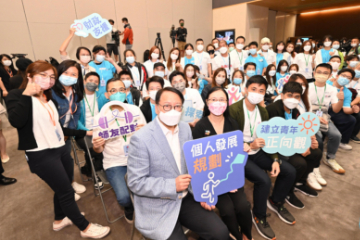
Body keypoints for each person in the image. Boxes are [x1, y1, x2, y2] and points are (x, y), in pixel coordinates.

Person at [6, 60, 110, 238]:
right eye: (43, 75)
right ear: (29, 76)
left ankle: (60, 220)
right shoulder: (16, 95)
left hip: (60, 148)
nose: (49, 80)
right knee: (67, 191)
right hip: (41, 154)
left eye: (52, 77)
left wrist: (86, 132)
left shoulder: (48, 98)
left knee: (63, 186)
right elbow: (16, 121)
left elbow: (58, 128)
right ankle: (85, 228)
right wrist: (26, 94)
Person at [127, 87, 230, 240]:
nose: (172, 111)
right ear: (156, 107)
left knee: (220, 233)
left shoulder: (184, 128)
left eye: (177, 106)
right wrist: (172, 185)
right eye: (167, 106)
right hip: (158, 203)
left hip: (186, 196)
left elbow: (192, 165)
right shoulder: (141, 139)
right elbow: (135, 182)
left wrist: (202, 193)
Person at [229, 76, 296, 240]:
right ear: (245, 90)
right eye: (253, 89)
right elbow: (229, 138)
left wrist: (274, 159)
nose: (257, 94)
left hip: (258, 152)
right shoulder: (233, 109)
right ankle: (259, 215)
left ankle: (276, 201)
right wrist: (249, 144)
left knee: (289, 171)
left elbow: (269, 137)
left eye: (261, 91)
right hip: (240, 155)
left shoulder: (263, 111)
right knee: (263, 180)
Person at [192, 86, 253, 240]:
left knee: (243, 207)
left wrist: (243, 151)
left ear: (227, 102)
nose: (217, 103)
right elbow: (198, 161)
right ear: (206, 102)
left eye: (222, 100)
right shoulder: (200, 126)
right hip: (212, 179)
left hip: (232, 176)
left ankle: (247, 234)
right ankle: (236, 236)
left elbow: (238, 158)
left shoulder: (232, 123)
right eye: (213, 99)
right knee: (227, 210)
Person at [92, 78, 146, 224]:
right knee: (124, 197)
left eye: (122, 90)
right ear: (107, 95)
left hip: (139, 157)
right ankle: (129, 208)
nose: (118, 93)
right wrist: (97, 145)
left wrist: (144, 131)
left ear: (127, 92)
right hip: (115, 162)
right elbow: (98, 150)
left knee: (151, 187)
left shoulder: (135, 110)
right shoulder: (100, 117)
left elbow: (147, 136)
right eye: (113, 91)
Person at [266, 82, 322, 209]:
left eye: (297, 96)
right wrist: (300, 147)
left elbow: (299, 130)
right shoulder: (272, 110)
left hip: (290, 144)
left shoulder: (295, 111)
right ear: (282, 95)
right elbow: (272, 137)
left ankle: (299, 183)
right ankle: (282, 194)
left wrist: (309, 141)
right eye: (289, 95)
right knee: (299, 163)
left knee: (316, 153)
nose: (293, 99)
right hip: (276, 146)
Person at [51, 60, 88, 201]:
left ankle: (71, 182)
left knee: (67, 160)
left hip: (67, 133)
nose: (69, 76)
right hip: (53, 135)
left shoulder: (76, 91)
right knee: (57, 165)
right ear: (59, 72)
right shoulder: (51, 92)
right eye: (66, 72)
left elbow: (76, 114)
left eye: (74, 74)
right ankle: (66, 188)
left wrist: (69, 133)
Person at [282, 74, 327, 188]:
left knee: (317, 147)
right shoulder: (284, 101)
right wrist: (302, 143)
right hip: (289, 137)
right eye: (298, 84)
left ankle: (309, 174)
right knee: (302, 160)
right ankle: (293, 185)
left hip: (304, 131)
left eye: (303, 84)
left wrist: (311, 135)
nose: (301, 87)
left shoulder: (304, 99)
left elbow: (309, 116)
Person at [309, 63, 344, 174]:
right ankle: (314, 164)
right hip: (309, 115)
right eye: (319, 72)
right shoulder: (307, 87)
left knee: (336, 135)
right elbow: (303, 108)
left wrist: (341, 100)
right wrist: (314, 117)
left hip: (323, 116)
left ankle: (330, 158)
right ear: (314, 73)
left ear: (329, 76)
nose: (321, 75)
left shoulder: (332, 89)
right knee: (318, 137)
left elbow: (336, 110)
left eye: (325, 73)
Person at [76, 72, 108, 185]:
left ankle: (90, 169)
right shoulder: (77, 97)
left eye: (96, 82)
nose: (92, 83)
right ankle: (97, 173)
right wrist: (86, 131)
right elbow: (75, 119)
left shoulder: (101, 96)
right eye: (90, 80)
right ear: (84, 81)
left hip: (100, 129)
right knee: (94, 147)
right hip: (83, 131)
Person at [327, 68, 358, 150]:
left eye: (348, 77)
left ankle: (342, 141)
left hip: (334, 110)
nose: (345, 78)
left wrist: (352, 110)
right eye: (343, 75)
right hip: (321, 107)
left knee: (351, 119)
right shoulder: (327, 83)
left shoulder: (347, 92)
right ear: (337, 76)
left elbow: (346, 109)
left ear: (350, 81)